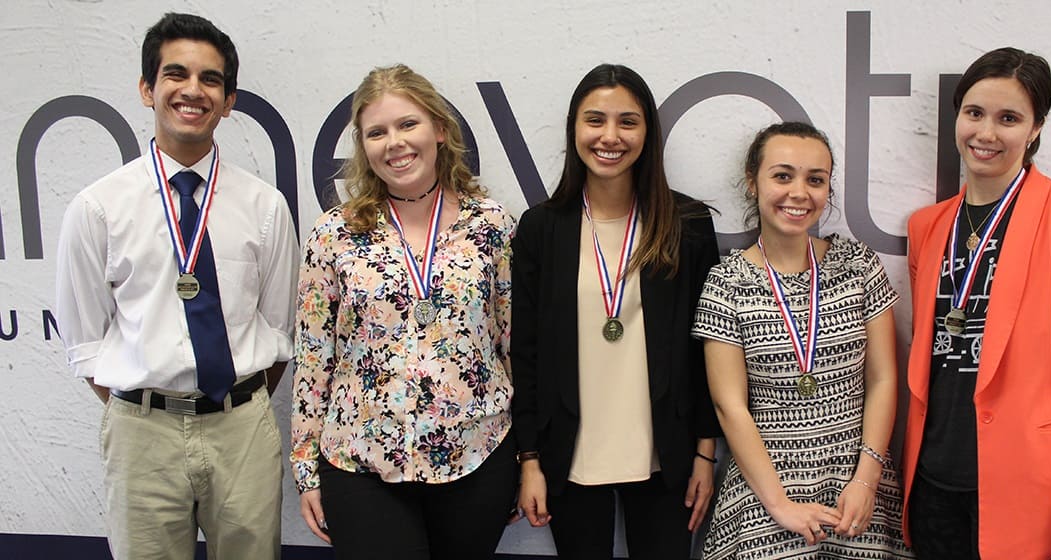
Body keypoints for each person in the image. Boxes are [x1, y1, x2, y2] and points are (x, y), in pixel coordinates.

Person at [54, 12, 298, 560]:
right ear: (148, 89)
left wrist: (232, 399)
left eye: (211, 79)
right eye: (176, 74)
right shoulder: (99, 208)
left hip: (241, 429)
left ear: (229, 99)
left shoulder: (265, 207)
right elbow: (87, 344)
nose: (193, 90)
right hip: (142, 435)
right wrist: (151, 403)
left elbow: (278, 330)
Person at [290, 64, 516, 560]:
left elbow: (511, 342)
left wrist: (527, 456)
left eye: (407, 124)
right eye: (377, 132)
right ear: (364, 146)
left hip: (477, 457)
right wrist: (305, 465)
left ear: (439, 129)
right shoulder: (335, 233)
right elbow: (313, 359)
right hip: (361, 465)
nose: (394, 142)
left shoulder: (491, 225)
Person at [903, 47, 1051, 560]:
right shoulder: (927, 226)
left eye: (1009, 119)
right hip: (932, 479)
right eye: (974, 113)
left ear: (1036, 128)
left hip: (1024, 487)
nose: (986, 134)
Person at [512, 63, 721, 559]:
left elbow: (705, 351)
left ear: (648, 131)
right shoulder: (541, 228)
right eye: (595, 120)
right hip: (569, 457)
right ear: (574, 129)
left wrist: (704, 453)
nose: (610, 136)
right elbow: (525, 352)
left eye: (628, 121)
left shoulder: (685, 224)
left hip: (666, 458)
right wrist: (529, 460)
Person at [692, 122, 912, 559]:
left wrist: (865, 480)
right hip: (765, 495)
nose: (799, 192)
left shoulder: (858, 264)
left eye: (815, 180)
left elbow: (885, 379)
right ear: (753, 182)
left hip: (858, 487)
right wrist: (779, 504)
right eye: (782, 175)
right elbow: (728, 405)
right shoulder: (726, 282)